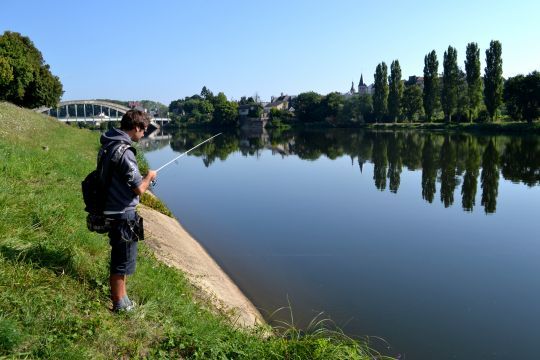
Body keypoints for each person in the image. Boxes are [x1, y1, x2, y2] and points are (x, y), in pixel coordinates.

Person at [98, 109, 157, 312]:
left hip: (111, 208)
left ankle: (121, 297)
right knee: (122, 260)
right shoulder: (125, 151)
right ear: (136, 127)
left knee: (120, 256)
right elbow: (139, 188)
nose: (144, 135)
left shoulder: (109, 145)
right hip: (122, 212)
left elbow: (121, 177)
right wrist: (149, 176)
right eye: (144, 130)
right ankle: (119, 303)